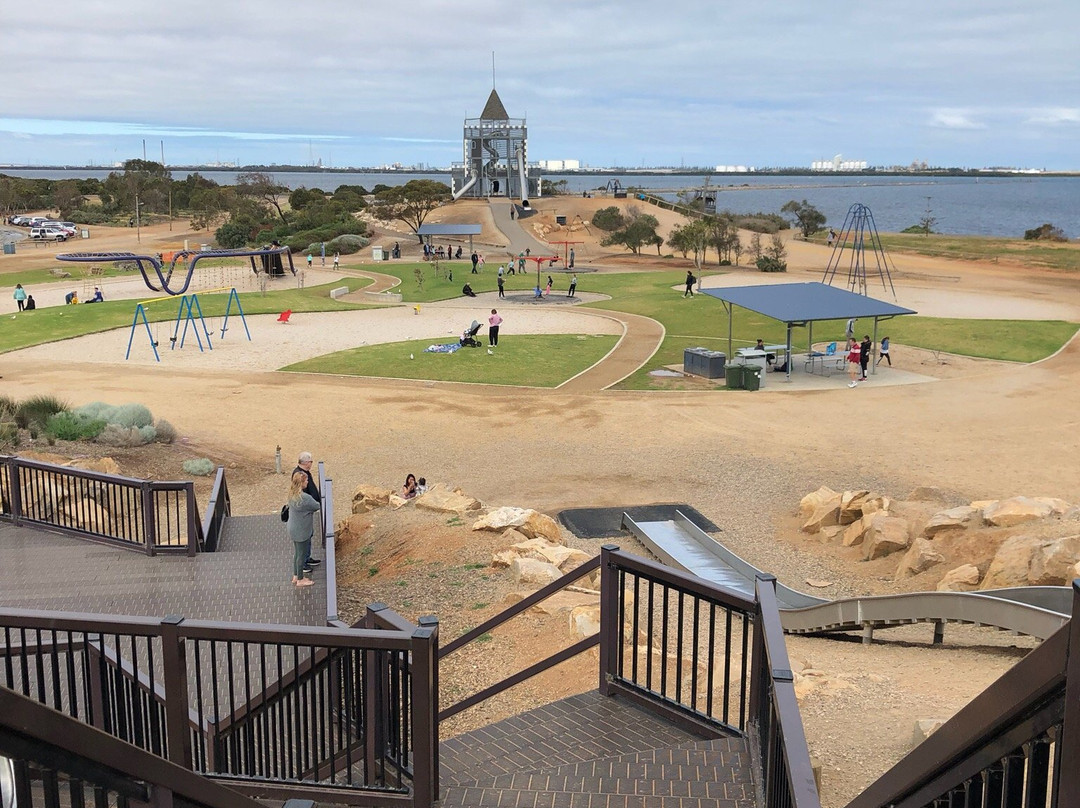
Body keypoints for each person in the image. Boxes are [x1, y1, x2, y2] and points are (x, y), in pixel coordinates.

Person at [286, 470, 321, 588]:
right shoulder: (304, 498)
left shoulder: (292, 495)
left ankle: (296, 575)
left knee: (297, 553)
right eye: (306, 480)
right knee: (301, 554)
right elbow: (317, 506)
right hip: (302, 530)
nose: (307, 482)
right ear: (302, 483)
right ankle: (300, 580)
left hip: (293, 528)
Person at [294, 451, 322, 569]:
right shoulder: (300, 474)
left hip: (306, 512)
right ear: (306, 462)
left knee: (308, 536)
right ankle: (303, 565)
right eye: (310, 462)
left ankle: (307, 558)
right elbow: (302, 495)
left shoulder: (303, 472)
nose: (311, 464)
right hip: (303, 515)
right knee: (304, 539)